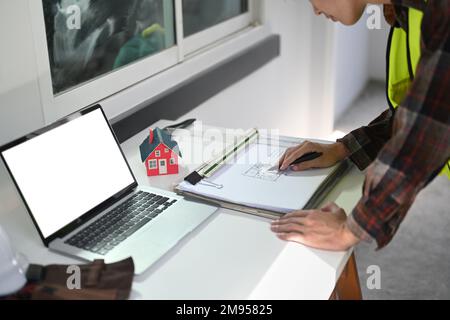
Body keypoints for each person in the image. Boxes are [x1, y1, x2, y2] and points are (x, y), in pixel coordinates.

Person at [271, 0, 449, 251]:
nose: (314, 9)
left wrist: (350, 230)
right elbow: (417, 107)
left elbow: (429, 125)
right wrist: (345, 148)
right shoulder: (408, 12)